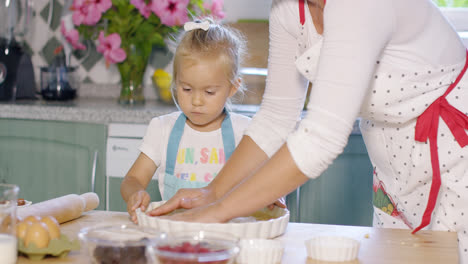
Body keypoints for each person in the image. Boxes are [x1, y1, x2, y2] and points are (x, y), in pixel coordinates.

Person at [148, 0, 468, 261]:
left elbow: (321, 137)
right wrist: (212, 192)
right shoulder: (287, 10)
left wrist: (219, 212)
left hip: (457, 157)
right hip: (393, 167)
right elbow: (276, 116)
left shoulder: (358, 6)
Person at [120, 18, 253, 223]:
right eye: (187, 89)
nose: (196, 101)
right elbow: (133, 179)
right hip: (175, 232)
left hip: (228, 233)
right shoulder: (163, 128)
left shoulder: (245, 131)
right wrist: (135, 193)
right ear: (175, 82)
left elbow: (260, 183)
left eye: (209, 92)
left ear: (232, 88)